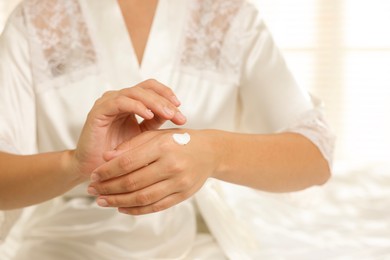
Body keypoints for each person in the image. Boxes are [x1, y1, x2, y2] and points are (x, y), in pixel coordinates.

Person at [0, 0, 335, 259]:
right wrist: (74, 164)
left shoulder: (229, 17)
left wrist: (213, 152)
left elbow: (315, 154)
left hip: (196, 239)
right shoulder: (37, 18)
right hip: (66, 239)